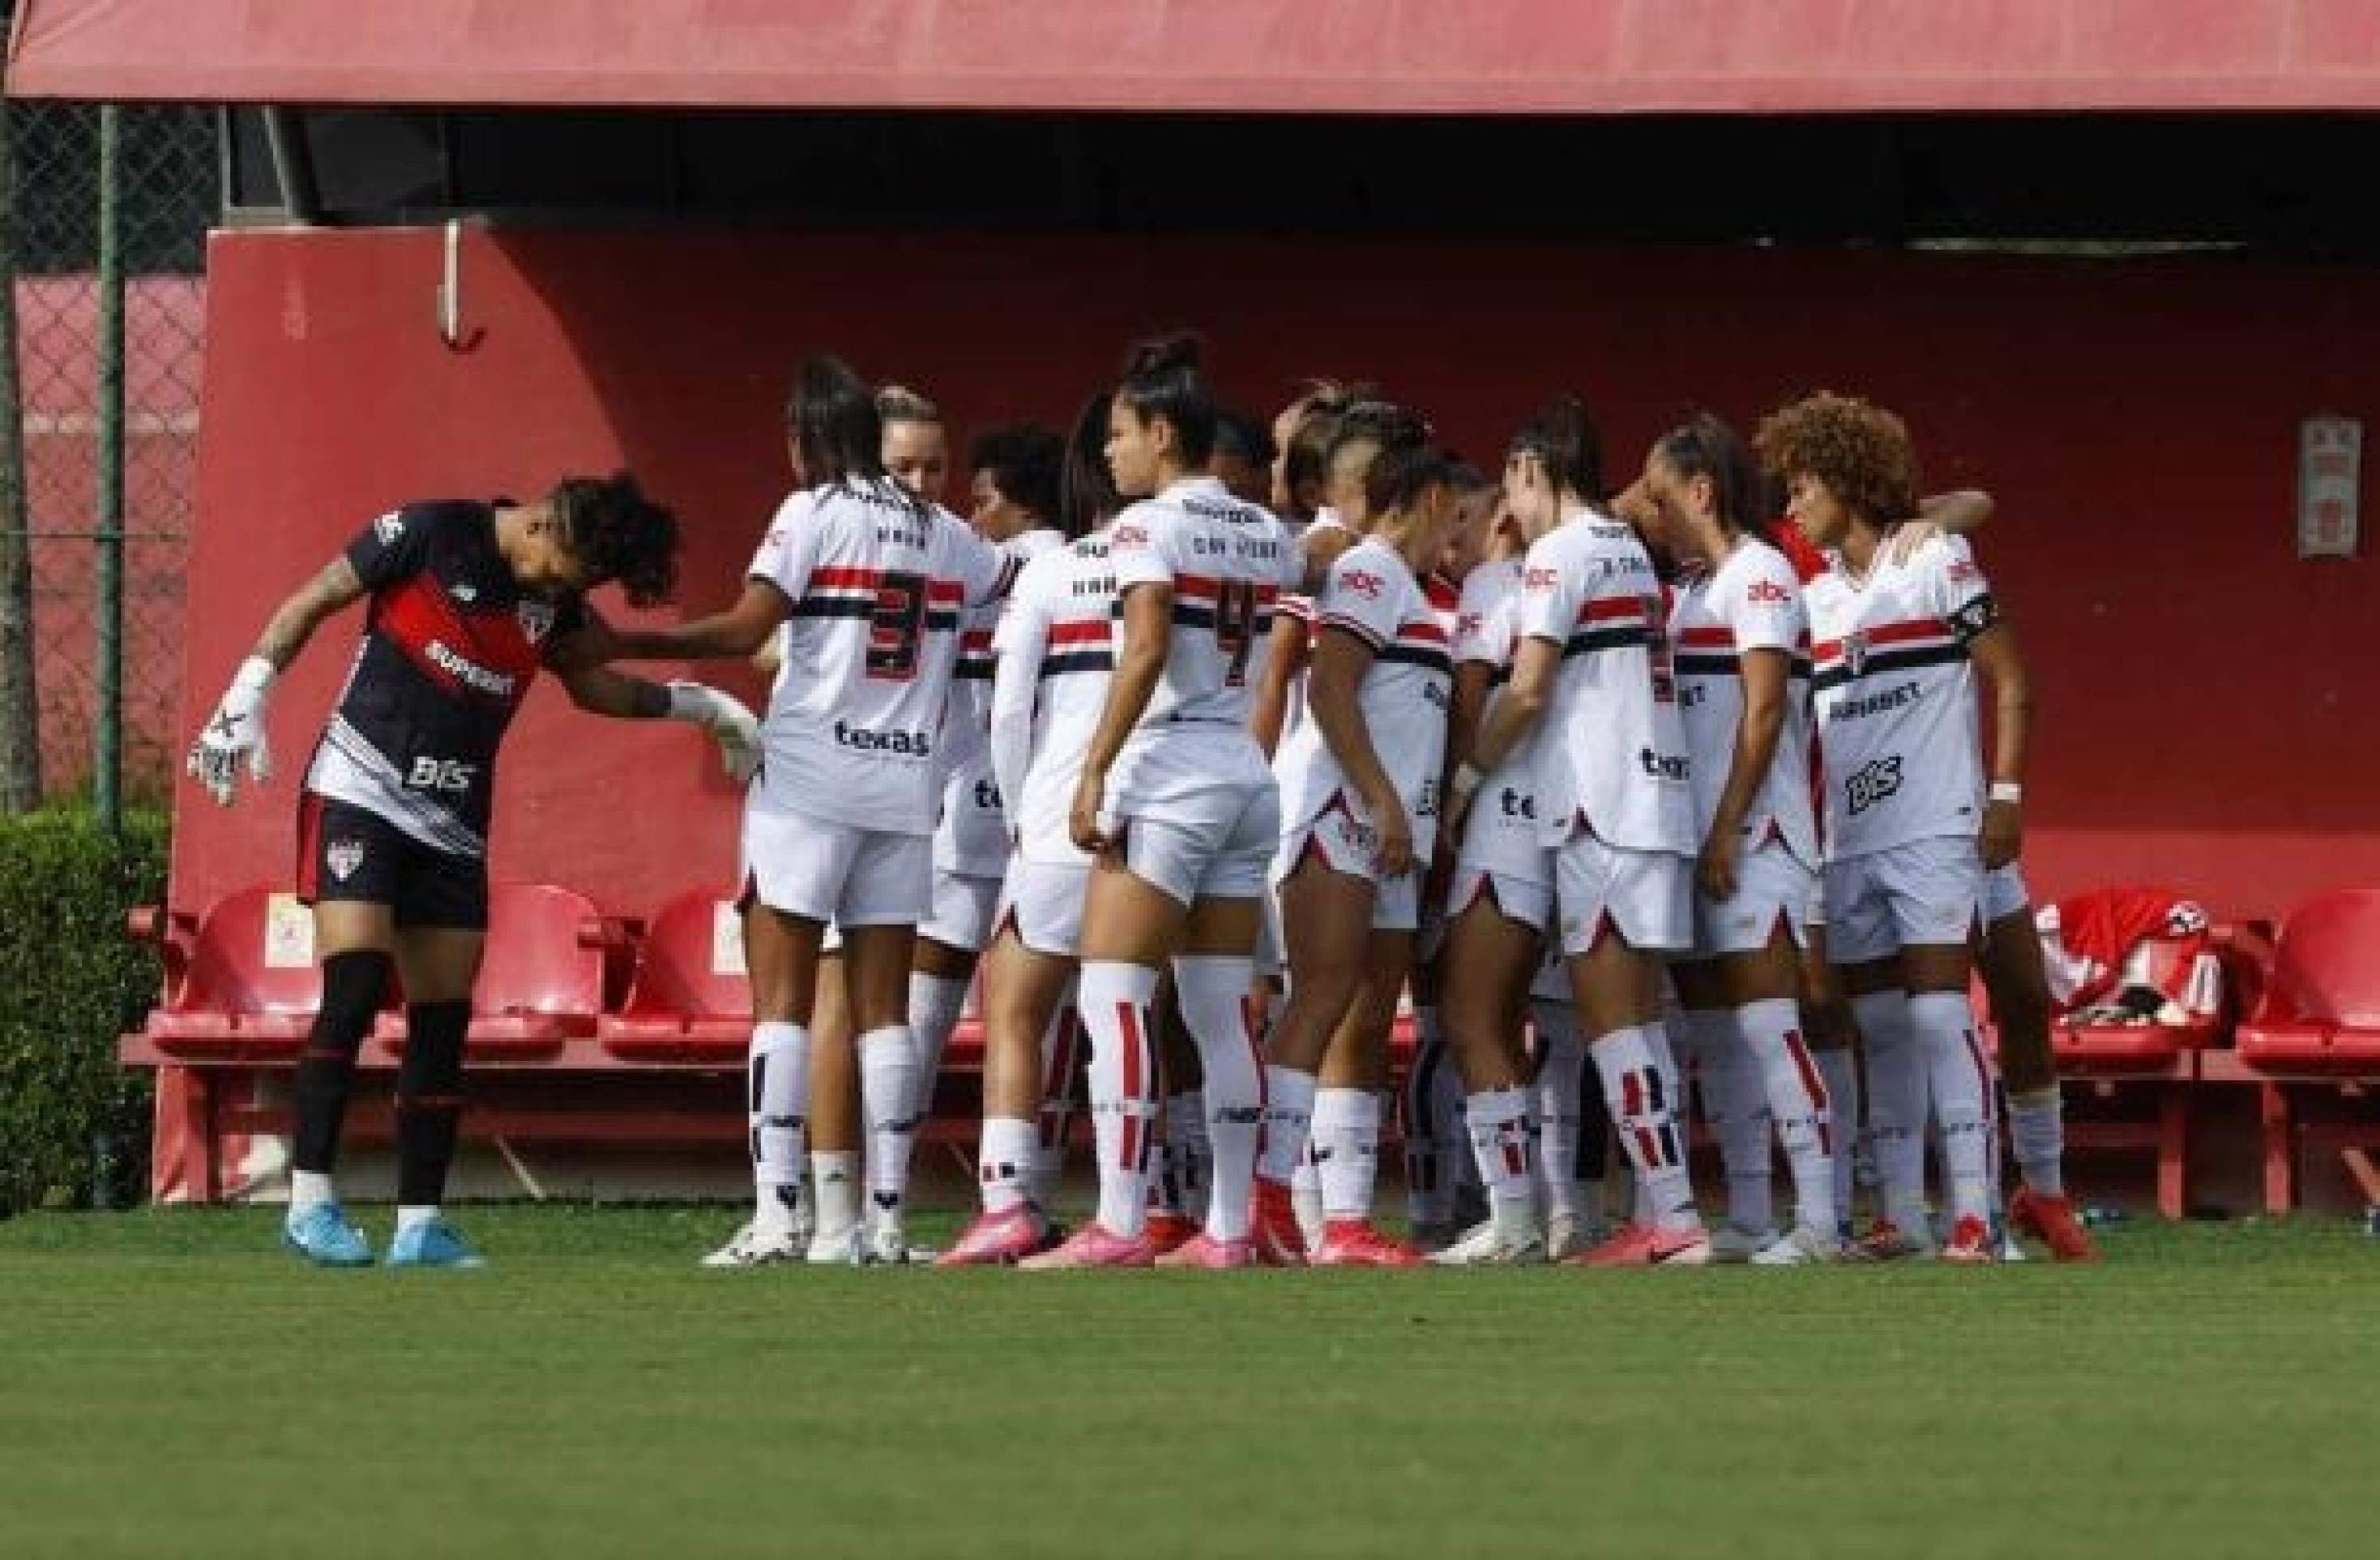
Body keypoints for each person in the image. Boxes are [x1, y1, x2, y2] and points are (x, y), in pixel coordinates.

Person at [186, 475, 758, 1267]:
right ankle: (310, 1200)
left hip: (452, 819)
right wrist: (248, 691)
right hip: (358, 786)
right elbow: (312, 598)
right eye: (569, 572)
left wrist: (700, 708)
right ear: (546, 525)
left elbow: (595, 686)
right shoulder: (426, 532)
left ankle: (419, 1225)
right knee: (352, 986)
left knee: (442, 1021)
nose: (567, 593)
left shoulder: (553, 597)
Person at [588, 356, 1006, 1267]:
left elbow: (744, 630)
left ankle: (782, 1219)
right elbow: (1017, 574)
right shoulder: (951, 538)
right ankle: (881, 1227)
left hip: (811, 785)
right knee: (884, 1014)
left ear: (804, 437)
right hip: (905, 791)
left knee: (781, 1006)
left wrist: (626, 640)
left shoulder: (810, 513)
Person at [1022, 333, 1297, 1269]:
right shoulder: (1264, 529)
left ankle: (1120, 1219)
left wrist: (1095, 768)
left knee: (1115, 994)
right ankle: (1228, 1227)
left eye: (1120, 433)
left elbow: (1142, 649)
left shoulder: (1145, 528)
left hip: (1170, 768)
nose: (1108, 452)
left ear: (1163, 432)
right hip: (1243, 775)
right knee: (1222, 1010)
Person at [1755, 391, 2034, 1263]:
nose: (1791, 505)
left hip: (1936, 829)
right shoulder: (1815, 600)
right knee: (1878, 1025)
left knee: (1941, 1012)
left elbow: (2015, 681)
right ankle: (1905, 1215)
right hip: (1852, 839)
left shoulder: (1937, 562)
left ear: (1846, 481)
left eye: (1802, 486)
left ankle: (1977, 1217)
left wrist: (2006, 796)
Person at [1448, 394, 1712, 1267]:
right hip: (1654, 800)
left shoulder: (1560, 554)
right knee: (1634, 1015)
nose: (1507, 509)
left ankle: (1672, 1219)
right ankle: (1667, 1212)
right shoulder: (1628, 552)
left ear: (1531, 468)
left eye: (1512, 483)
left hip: (1602, 804)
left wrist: (1465, 780)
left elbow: (1525, 689)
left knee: (1611, 1022)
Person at [1252, 439, 1467, 1267]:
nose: (1459, 525)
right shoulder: (1370, 573)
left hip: (1393, 832)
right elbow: (1332, 686)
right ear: (1426, 494)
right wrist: (1378, 797)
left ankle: (1341, 1220)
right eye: (1454, 505)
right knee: (1323, 997)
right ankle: (1269, 1196)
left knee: (1370, 1020)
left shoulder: (1406, 586)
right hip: (1342, 813)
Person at [1639, 415, 1839, 1264]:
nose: (1648, 513)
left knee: (1768, 1024)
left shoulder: (1760, 575)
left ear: (1700, 490)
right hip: (1700, 843)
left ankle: (1823, 1221)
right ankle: (1754, 1215)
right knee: (1717, 1036)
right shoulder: (1689, 591)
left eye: (1658, 495)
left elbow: (1765, 713)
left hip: (1757, 836)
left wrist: (1725, 827)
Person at [941, 393, 1122, 1263]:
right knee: (1147, 1017)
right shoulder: (1178, 564)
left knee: (1015, 1010)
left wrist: (1018, 811)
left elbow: (1009, 712)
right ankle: (1162, 1204)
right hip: (1157, 821)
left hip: (1054, 820)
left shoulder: (1048, 573)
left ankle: (1010, 1198)